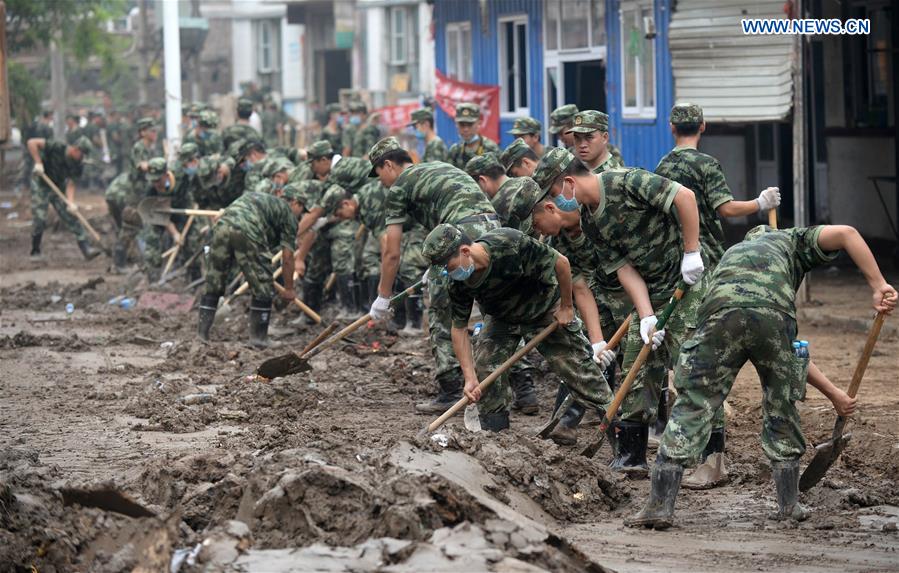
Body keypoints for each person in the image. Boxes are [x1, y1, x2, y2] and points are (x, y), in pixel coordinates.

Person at [626, 224, 897, 528]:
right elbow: (848, 233)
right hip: (772, 314)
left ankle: (659, 506)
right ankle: (789, 505)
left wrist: (835, 395)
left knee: (693, 404)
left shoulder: (732, 254)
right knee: (780, 403)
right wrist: (878, 285)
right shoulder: (792, 240)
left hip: (719, 315)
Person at [541, 149, 704, 475]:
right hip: (649, 291)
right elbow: (624, 268)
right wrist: (645, 316)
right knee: (636, 366)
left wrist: (692, 252)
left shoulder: (626, 181)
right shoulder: (589, 219)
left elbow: (684, 197)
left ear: (569, 183)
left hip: (684, 282)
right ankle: (632, 457)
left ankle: (707, 457)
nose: (554, 207)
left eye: (554, 197)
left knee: (688, 367)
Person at [654, 102, 783, 488]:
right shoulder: (706, 165)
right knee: (704, 357)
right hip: (705, 266)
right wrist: (760, 203)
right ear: (703, 126)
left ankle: (694, 448)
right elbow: (725, 208)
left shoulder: (661, 167)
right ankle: (711, 457)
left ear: (671, 127)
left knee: (683, 354)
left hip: (671, 267)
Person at [421, 224, 613, 431]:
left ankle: (623, 440)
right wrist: (469, 378)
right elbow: (458, 329)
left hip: (545, 308)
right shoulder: (458, 283)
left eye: (446, 266)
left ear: (465, 252)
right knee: (486, 368)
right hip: (502, 318)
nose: (446, 273)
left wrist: (566, 306)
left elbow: (561, 263)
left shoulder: (509, 243)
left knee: (579, 370)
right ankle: (496, 438)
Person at [366, 137, 501, 413]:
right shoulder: (436, 168)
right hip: (492, 229)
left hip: (462, 234)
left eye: (378, 173)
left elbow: (392, 252)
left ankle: (451, 388)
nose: (381, 181)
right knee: (496, 309)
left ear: (388, 165)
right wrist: (434, 266)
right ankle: (520, 388)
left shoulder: (400, 187)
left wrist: (383, 295)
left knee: (443, 312)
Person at [523, 149, 630, 445]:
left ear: (551, 207)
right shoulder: (559, 240)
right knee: (588, 355)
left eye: (537, 223)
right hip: (600, 295)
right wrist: (595, 341)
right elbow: (580, 287)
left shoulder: (598, 205)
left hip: (635, 288)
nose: (538, 232)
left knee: (641, 361)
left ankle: (649, 426)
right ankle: (566, 420)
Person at [464, 154, 542, 414]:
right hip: (544, 268)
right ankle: (527, 390)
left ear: (482, 181)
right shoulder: (526, 184)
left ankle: (523, 388)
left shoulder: (497, 204)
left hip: (517, 275)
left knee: (500, 330)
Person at [198, 190, 302, 347]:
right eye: (301, 210)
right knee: (263, 283)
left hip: (221, 227)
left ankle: (202, 335)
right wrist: (289, 288)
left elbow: (225, 217)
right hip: (248, 229)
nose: (300, 215)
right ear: (295, 203)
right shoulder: (288, 214)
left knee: (214, 279)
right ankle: (259, 339)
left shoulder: (255, 197)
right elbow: (287, 258)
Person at [296, 157, 370, 318]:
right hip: (330, 222)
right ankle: (310, 312)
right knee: (316, 261)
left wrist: (299, 257)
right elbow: (312, 228)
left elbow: (311, 225)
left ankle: (350, 309)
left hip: (346, 221)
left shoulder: (322, 192)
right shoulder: (303, 196)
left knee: (342, 257)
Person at [26, 136, 99, 261]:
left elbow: (71, 183)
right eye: (82, 154)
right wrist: (38, 162)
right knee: (40, 217)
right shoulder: (57, 147)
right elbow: (31, 142)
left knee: (70, 215)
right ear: (76, 149)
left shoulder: (78, 164)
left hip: (58, 186)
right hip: (41, 183)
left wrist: (70, 202)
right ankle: (35, 251)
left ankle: (86, 248)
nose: (83, 158)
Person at [446, 103, 500, 170]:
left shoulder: (491, 148)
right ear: (457, 125)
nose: (466, 129)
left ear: (479, 123)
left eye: (470, 124)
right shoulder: (455, 151)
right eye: (462, 124)